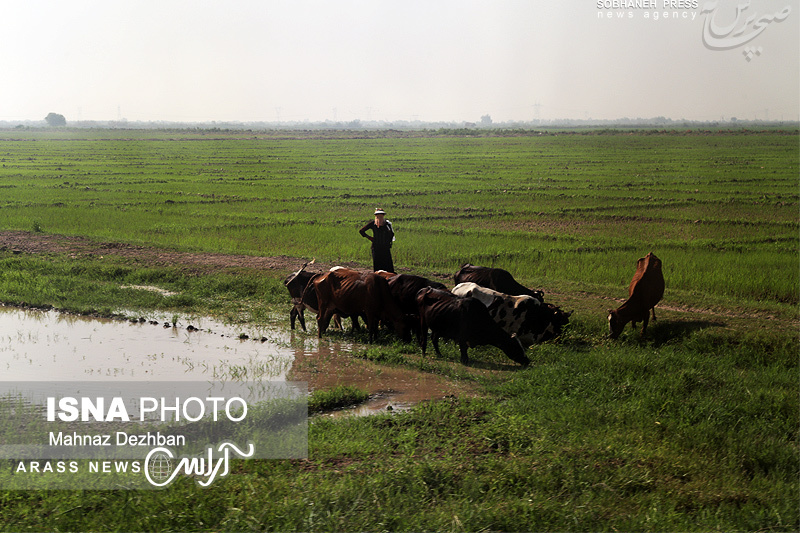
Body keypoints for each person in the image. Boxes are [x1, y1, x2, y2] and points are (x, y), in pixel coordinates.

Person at [359, 208, 395, 272]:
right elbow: (361, 231)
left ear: (383, 215)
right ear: (375, 216)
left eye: (381, 215)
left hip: (385, 247)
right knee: (377, 264)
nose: (379, 217)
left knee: (387, 264)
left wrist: (388, 241)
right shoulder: (373, 224)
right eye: (378, 215)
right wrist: (369, 237)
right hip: (376, 247)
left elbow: (392, 234)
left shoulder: (387, 224)